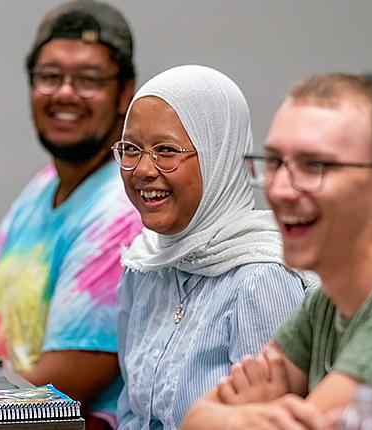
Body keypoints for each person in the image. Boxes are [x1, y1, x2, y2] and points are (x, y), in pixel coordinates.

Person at [182, 73, 372, 430]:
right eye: (276, 162)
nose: (280, 190)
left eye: (314, 166)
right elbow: (194, 420)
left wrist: (240, 416)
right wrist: (250, 418)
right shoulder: (328, 300)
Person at [113, 65, 308, 430]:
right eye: (131, 149)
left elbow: (273, 423)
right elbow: (131, 414)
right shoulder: (145, 262)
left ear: (219, 155)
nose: (142, 169)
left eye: (166, 150)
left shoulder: (260, 278)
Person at [0, 1, 142, 427]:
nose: (65, 93)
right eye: (49, 77)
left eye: (88, 79)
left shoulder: (122, 212)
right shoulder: (41, 188)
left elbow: (53, 396)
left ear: (125, 93)